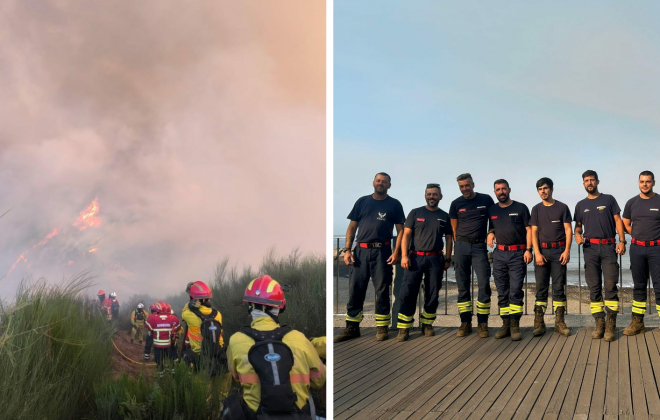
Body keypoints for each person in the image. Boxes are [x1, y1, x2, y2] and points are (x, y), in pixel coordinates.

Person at [224, 275, 326, 420]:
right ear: (281, 307)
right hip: (298, 415)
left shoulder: (236, 341)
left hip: (256, 416)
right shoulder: (299, 338)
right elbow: (318, 381)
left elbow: (237, 378)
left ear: (249, 307)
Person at [334, 172, 405, 343]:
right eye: (378, 180)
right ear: (373, 182)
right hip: (361, 252)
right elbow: (352, 227)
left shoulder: (394, 204)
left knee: (382, 290)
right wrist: (348, 250)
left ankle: (382, 328)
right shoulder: (362, 202)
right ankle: (352, 328)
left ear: (389, 185)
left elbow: (401, 230)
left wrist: (396, 252)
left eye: (384, 182)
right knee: (356, 289)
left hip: (383, 252)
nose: (381, 183)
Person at [396, 183, 453, 341]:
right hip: (414, 258)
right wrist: (404, 256)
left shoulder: (444, 216)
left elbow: (449, 239)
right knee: (407, 293)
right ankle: (404, 328)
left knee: (433, 293)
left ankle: (427, 324)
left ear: (440, 197)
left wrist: (448, 259)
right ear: (425, 196)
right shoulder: (415, 213)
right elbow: (406, 235)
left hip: (435, 259)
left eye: (435, 194)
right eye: (429, 194)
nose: (432, 197)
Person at [574, 170, 626, 341]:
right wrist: (577, 234)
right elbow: (579, 226)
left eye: (592, 180)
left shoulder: (609, 199)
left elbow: (618, 220)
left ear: (597, 181)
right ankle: (599, 323)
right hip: (590, 248)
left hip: (609, 246)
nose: (589, 183)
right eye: (586, 180)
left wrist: (622, 241)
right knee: (594, 287)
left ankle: (611, 324)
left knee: (610, 285)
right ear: (583, 183)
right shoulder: (580, 205)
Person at [449, 173, 495, 337]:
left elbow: (494, 220)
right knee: (462, 285)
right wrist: (457, 247)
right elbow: (453, 229)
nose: (464, 189)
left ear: (473, 184)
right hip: (461, 246)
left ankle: (483, 324)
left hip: (479, 247)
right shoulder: (456, 204)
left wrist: (491, 233)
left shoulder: (486, 200)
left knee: (483, 283)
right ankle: (465, 323)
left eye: (467, 185)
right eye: (461, 186)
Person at [487, 179, 532, 341]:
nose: (501, 192)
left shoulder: (521, 208)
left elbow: (529, 230)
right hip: (499, 255)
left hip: (518, 254)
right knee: (502, 291)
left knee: (515, 291)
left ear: (509, 189)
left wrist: (529, 250)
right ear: (495, 192)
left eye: (503, 189)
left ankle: (515, 325)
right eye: (498, 189)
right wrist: (490, 232)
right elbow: (492, 226)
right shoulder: (492, 209)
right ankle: (505, 324)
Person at [529, 178, 572, 337]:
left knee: (559, 287)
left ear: (552, 189)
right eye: (540, 189)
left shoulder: (562, 207)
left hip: (559, 251)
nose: (543, 191)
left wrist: (567, 251)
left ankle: (559, 323)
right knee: (541, 288)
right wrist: (537, 253)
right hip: (542, 253)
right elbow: (533, 232)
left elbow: (568, 230)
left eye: (545, 188)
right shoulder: (536, 209)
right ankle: (539, 323)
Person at [622, 171, 660, 336]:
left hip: (657, 249)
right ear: (638, 182)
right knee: (639, 287)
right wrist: (637, 236)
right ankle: (638, 323)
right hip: (637, 249)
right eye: (642, 181)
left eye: (648, 181)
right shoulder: (631, 203)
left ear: (653, 183)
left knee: (659, 287)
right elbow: (625, 224)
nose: (645, 184)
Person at [181, 280, 224, 375]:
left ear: (193, 298)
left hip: (199, 357)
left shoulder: (189, 315)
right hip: (217, 356)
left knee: (202, 386)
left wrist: (189, 305)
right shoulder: (218, 315)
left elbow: (184, 311)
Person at [145, 301, 179, 375]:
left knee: (159, 359)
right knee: (170, 357)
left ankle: (161, 374)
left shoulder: (153, 318)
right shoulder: (173, 318)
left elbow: (149, 327)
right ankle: (172, 372)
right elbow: (177, 328)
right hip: (168, 344)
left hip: (158, 344)